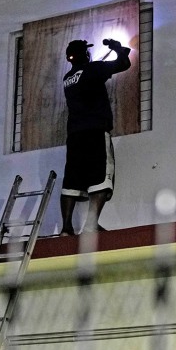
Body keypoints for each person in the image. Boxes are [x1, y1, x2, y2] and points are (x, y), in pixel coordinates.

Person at [59, 37, 131, 235]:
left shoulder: (68, 78)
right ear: (85, 54)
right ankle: (91, 225)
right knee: (101, 177)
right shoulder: (93, 69)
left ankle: (66, 228)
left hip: (75, 135)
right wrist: (117, 48)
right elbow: (124, 64)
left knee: (72, 180)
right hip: (95, 131)